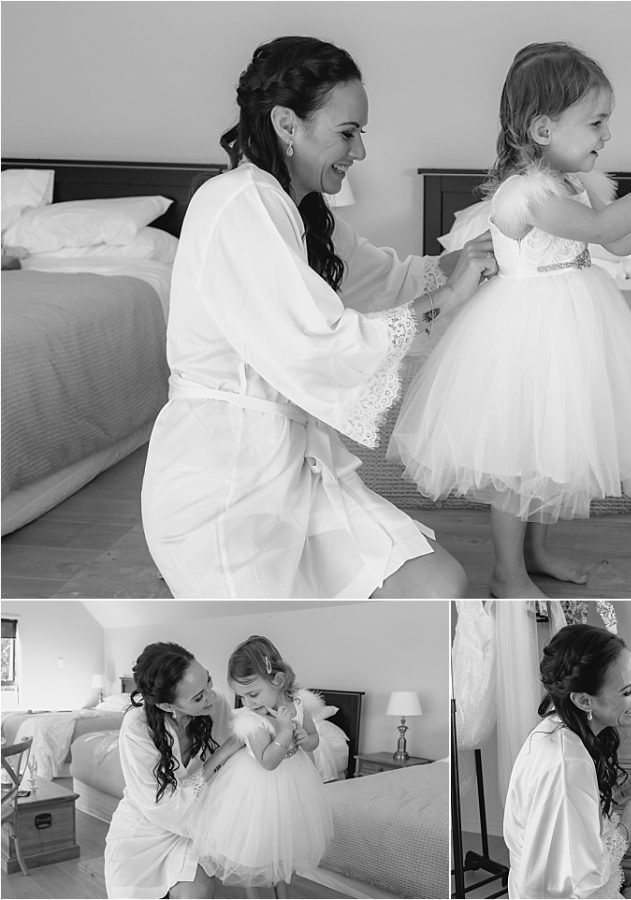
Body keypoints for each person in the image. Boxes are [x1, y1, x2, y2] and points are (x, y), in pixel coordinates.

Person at [140, 36, 496, 599]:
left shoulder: (300, 210)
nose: (360, 152)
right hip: (227, 476)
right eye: (348, 133)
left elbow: (392, 279)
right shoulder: (239, 201)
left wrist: (486, 251)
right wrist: (450, 297)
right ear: (288, 123)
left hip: (295, 466)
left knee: (441, 585)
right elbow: (321, 345)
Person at [388, 42, 631, 598]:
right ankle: (506, 572)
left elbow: (621, 242)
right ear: (541, 129)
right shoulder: (526, 194)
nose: (606, 136)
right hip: (527, 329)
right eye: (597, 122)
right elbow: (607, 227)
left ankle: (535, 552)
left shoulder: (574, 187)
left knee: (552, 447)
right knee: (520, 455)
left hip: (573, 323)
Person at [503, 624, 631, 899]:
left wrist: (616, 795)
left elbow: (570, 826)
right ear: (585, 700)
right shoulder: (567, 764)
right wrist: (630, 828)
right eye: (626, 691)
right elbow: (573, 880)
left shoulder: (555, 728)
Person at [191, 636, 333, 896]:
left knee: (283, 847)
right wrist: (285, 734)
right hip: (259, 787)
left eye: (253, 694)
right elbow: (268, 762)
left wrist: (306, 738)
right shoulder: (252, 721)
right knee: (255, 852)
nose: (248, 702)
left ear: (278, 681)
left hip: (293, 781)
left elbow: (313, 739)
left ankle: (282, 892)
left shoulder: (299, 704)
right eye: (241, 696)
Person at [104, 643, 242, 899]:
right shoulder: (137, 727)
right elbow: (165, 807)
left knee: (196, 894)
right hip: (145, 827)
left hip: (194, 827)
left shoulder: (216, 704)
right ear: (168, 707)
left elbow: (242, 737)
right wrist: (221, 754)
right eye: (198, 697)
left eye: (209, 683)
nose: (211, 697)